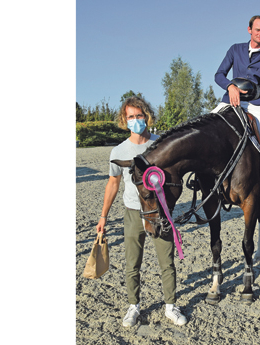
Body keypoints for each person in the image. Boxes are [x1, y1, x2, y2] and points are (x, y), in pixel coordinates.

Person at [96, 96, 187, 328]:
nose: (135, 120)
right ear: (124, 120)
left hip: (159, 211)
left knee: (166, 261)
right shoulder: (119, 150)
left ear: (146, 116)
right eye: (130, 117)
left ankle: (170, 306)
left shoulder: (161, 144)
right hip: (132, 213)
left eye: (139, 115)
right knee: (132, 263)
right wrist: (103, 216)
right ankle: (133, 306)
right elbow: (113, 184)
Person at [213, 15, 260, 196]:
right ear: (249, 30)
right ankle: (203, 175)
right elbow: (218, 74)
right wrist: (230, 86)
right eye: (257, 30)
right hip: (230, 100)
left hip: (255, 104)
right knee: (207, 124)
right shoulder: (235, 49)